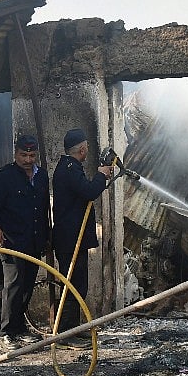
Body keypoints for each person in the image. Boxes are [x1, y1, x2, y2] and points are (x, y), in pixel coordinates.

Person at [0, 134, 50, 351]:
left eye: (31, 155)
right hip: (11, 240)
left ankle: (20, 329)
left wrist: (46, 238)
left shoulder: (41, 177)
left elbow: (43, 210)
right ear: (16, 153)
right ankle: (7, 333)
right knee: (13, 285)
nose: (28, 160)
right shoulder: (4, 177)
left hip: (33, 240)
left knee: (27, 284)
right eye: (24, 155)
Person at [51, 128, 112, 348]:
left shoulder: (70, 167)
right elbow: (88, 191)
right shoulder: (69, 169)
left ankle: (74, 328)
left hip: (74, 237)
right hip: (70, 239)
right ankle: (66, 334)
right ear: (83, 149)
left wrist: (100, 176)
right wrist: (101, 175)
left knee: (78, 285)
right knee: (72, 286)